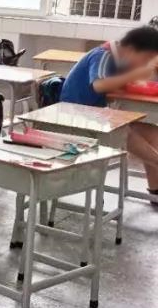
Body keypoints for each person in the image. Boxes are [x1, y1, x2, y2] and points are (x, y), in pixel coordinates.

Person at [61, 25, 158, 193]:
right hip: (74, 117)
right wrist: (133, 75)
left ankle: (155, 189)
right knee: (123, 131)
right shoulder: (103, 55)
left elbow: (116, 87)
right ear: (131, 49)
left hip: (95, 115)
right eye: (146, 58)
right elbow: (98, 85)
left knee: (152, 132)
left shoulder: (120, 60)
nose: (145, 64)